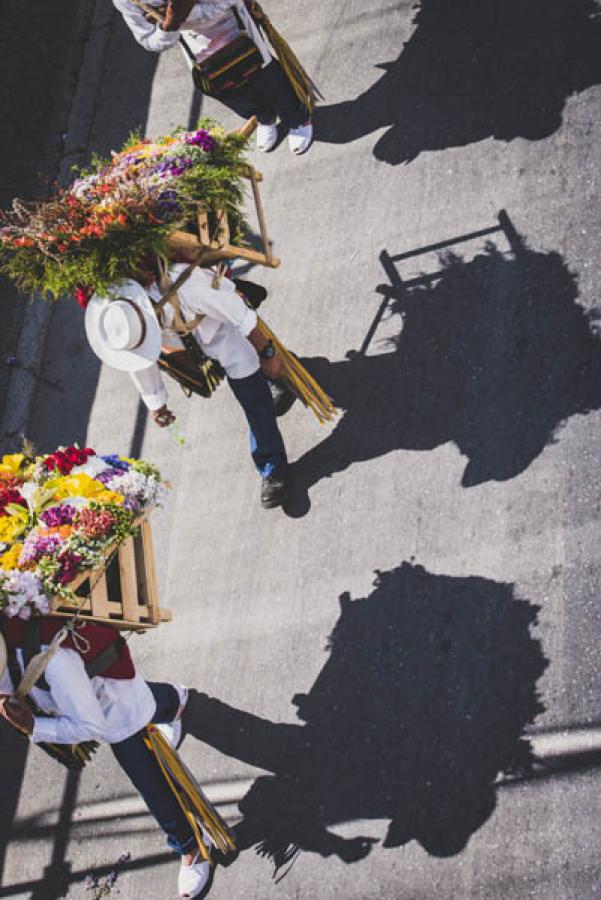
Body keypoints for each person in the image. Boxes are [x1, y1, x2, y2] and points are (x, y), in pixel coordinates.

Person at [0, 617, 211, 900]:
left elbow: (91, 727)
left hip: (112, 705)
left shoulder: (52, 662)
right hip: (96, 689)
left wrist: (34, 728)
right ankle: (174, 700)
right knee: (134, 700)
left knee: (146, 775)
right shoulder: (13, 651)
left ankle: (190, 846)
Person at [84, 266, 294, 509]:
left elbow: (241, 316)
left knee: (254, 400)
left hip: (225, 334)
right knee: (260, 383)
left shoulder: (189, 287)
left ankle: (272, 467)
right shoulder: (123, 323)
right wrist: (156, 403)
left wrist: (268, 353)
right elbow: (140, 359)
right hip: (192, 346)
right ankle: (275, 379)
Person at [112, 0, 314, 155]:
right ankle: (265, 117)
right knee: (227, 89)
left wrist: (185, 13)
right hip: (196, 47)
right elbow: (149, 39)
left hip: (233, 24)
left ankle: (297, 118)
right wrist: (171, 24)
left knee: (265, 75)